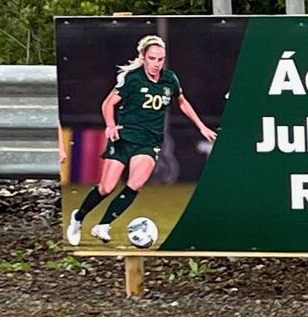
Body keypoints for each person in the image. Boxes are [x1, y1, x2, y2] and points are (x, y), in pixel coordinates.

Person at [66, 34, 217, 245]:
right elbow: (108, 104)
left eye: (160, 59)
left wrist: (201, 126)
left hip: (149, 142)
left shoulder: (169, 79)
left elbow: (182, 102)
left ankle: (103, 225)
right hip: (124, 137)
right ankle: (78, 217)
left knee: (134, 184)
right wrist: (110, 125)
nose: (156, 64)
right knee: (106, 188)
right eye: (152, 58)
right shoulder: (132, 78)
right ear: (143, 57)